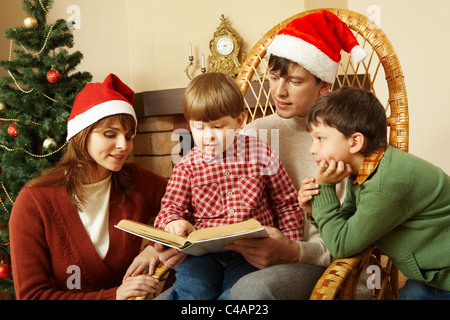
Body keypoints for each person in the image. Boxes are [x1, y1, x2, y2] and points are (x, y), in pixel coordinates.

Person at [226, 10, 367, 300]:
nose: (279, 91)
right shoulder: (253, 132)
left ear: (323, 87)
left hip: (317, 265)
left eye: (295, 81)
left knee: (251, 290)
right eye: (275, 77)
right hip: (242, 259)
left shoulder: (344, 143)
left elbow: (352, 237)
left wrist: (292, 251)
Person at [9, 74, 168, 300]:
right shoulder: (33, 201)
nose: (124, 145)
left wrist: (156, 247)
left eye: (129, 136)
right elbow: (32, 296)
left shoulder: (138, 181)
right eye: (110, 134)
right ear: (81, 134)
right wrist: (113, 296)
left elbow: (188, 204)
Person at [152, 72, 304, 300]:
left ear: (239, 121)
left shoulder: (261, 153)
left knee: (235, 297)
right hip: (201, 255)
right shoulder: (187, 165)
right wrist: (173, 223)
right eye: (200, 128)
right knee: (193, 294)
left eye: (217, 127)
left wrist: (290, 248)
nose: (208, 137)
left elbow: (286, 203)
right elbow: (169, 210)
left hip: (249, 253)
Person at [299, 86, 450, 300]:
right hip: (432, 278)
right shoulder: (365, 170)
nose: (312, 149)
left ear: (355, 142)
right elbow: (350, 228)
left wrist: (324, 188)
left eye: (320, 138)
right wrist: (315, 210)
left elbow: (342, 245)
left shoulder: (385, 183)